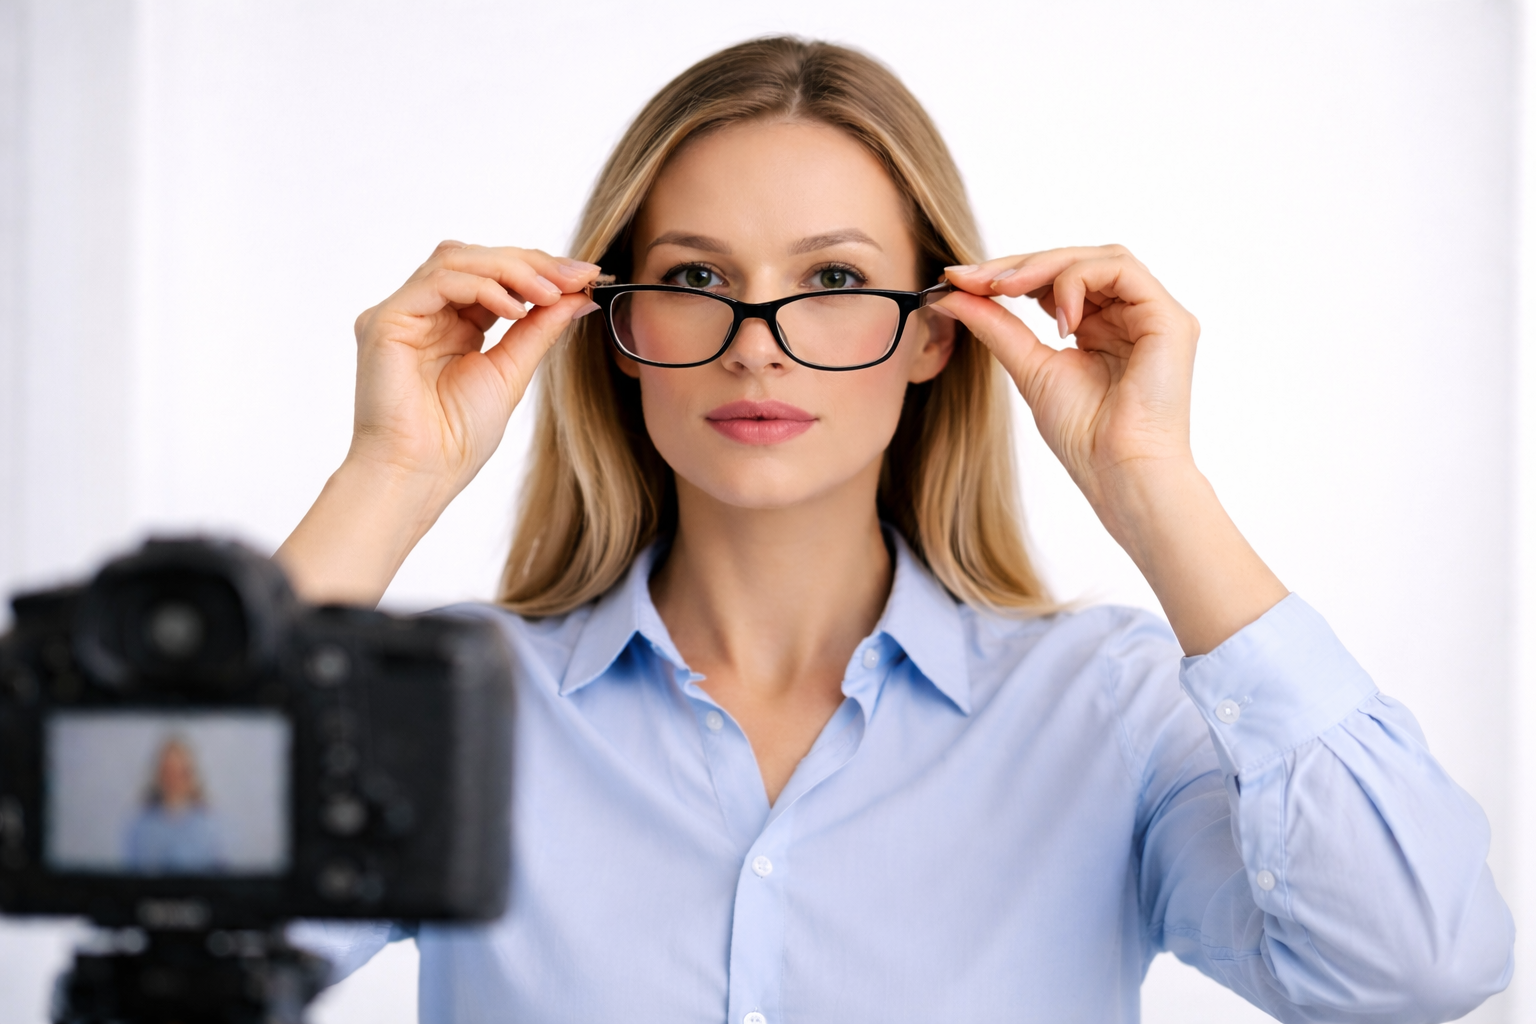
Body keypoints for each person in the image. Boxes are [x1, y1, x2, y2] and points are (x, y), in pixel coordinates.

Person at [281, 36, 1513, 1024]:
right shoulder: (455, 703)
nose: (757, 339)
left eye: (829, 282)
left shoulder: (1112, 713)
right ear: (618, 327)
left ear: (934, 331)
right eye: (698, 278)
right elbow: (158, 930)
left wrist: (1151, 480)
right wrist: (390, 473)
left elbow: (1413, 969)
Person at [123, 735, 225, 874]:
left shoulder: (210, 827)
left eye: (180, 773)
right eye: (168, 772)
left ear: (191, 776)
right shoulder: (140, 827)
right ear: (158, 776)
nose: (174, 780)